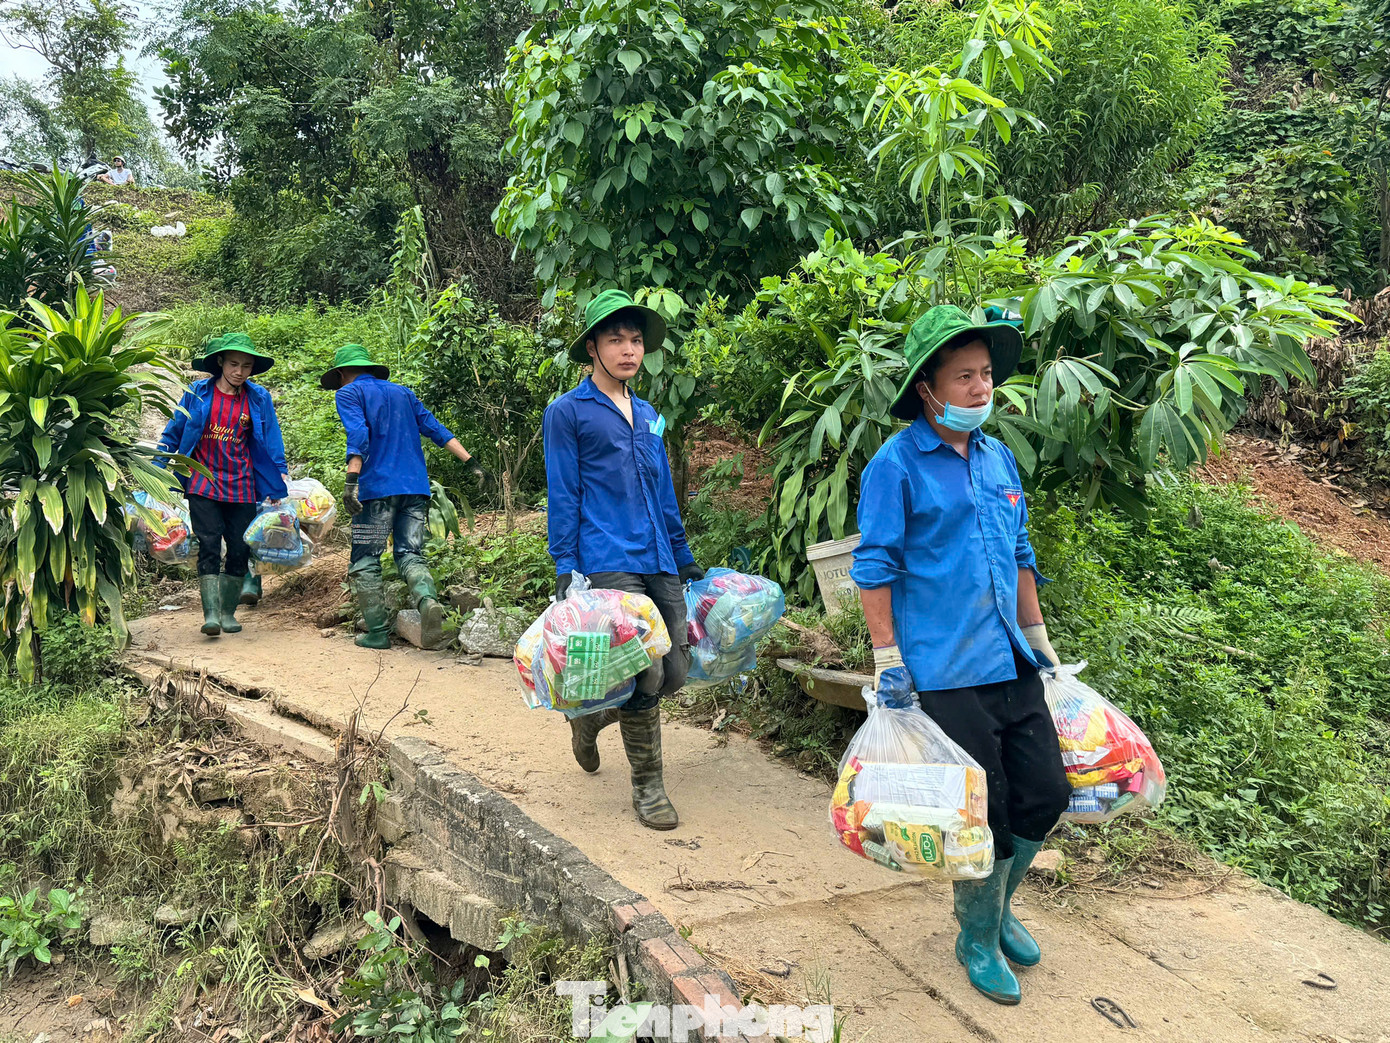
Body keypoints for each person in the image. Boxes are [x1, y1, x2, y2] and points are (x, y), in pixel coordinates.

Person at [849, 304, 1070, 1006]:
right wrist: (888, 658)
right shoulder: (897, 465)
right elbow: (874, 563)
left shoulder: (999, 457)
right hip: (941, 670)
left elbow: (1020, 554)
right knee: (986, 811)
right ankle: (975, 931)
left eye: (986, 375)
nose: (981, 388)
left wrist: (1040, 641)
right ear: (928, 388)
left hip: (1008, 658)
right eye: (964, 377)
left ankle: (1000, 908)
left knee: (1045, 793)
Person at [542, 289, 705, 831]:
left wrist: (682, 555)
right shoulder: (567, 412)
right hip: (607, 556)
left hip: (657, 554)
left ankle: (589, 719)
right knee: (645, 667)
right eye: (616, 339)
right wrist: (566, 565)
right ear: (593, 347)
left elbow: (662, 491)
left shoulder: (650, 414)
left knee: (674, 672)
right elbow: (564, 492)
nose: (629, 350)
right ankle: (648, 788)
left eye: (636, 340)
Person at [320, 343, 490, 649]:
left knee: (365, 559)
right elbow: (436, 430)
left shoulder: (348, 393)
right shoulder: (403, 393)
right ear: (370, 369)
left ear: (343, 373)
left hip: (376, 491)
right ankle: (427, 602)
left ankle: (376, 633)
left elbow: (358, 435)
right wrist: (472, 463)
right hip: (415, 488)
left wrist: (351, 481)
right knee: (410, 553)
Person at [158, 333, 290, 637]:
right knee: (207, 544)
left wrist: (280, 474)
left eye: (246, 365)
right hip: (202, 483)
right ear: (219, 363)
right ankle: (212, 614)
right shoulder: (197, 393)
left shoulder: (258, 398)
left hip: (242, 484)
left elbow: (271, 440)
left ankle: (229, 612)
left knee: (240, 547)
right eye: (233, 364)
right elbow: (173, 433)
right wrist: (156, 469)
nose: (239, 371)